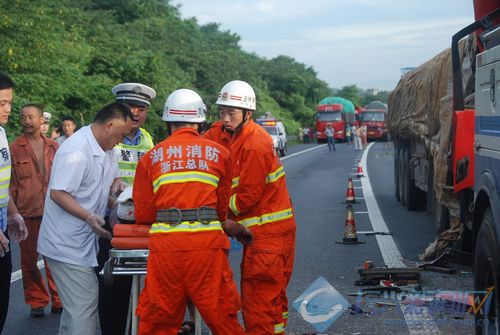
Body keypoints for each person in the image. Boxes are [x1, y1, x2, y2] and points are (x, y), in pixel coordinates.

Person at [133, 89, 249, 335]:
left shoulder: (151, 157)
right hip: (207, 248)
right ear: (200, 121)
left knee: (158, 321)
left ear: (167, 122)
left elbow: (143, 214)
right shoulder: (221, 153)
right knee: (223, 318)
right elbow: (220, 208)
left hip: (166, 249)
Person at [204, 80, 296, 334]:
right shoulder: (226, 131)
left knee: (260, 302)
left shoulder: (255, 144)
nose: (224, 118)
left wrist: (213, 212)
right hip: (269, 232)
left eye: (231, 113)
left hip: (267, 235)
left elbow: (246, 198)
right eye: (221, 112)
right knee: (272, 299)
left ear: (248, 114)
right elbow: (203, 142)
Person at [37, 103, 133, 335]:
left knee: (73, 310)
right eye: (120, 134)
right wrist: (89, 216)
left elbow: (110, 178)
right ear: (109, 125)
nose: (120, 141)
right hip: (65, 243)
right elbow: (58, 193)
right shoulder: (76, 150)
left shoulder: (106, 148)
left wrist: (118, 185)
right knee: (85, 302)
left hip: (81, 242)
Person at [94, 82, 156, 335]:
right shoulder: (106, 136)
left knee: (143, 287)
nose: (136, 113)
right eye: (131, 107)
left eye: (141, 108)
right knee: (112, 288)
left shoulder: (148, 140)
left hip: (139, 224)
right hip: (109, 222)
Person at [10, 104, 60, 318]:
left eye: (31, 117)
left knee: (55, 258)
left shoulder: (54, 147)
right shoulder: (14, 148)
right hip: (27, 212)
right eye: (23, 118)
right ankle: (37, 301)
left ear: (42, 121)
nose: (27, 121)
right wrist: (13, 213)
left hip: (53, 211)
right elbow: (10, 183)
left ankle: (59, 299)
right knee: (29, 261)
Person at [0, 72, 29, 333]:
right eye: (1, 104)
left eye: (9, 102)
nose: (8, 109)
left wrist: (13, 214)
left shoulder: (1, 133)